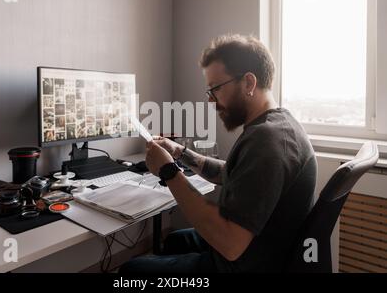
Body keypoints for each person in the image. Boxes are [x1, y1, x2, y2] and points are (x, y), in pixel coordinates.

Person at [119, 34, 317, 273]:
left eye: (215, 89)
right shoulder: (279, 126)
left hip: (241, 263)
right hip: (263, 248)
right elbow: (233, 174)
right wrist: (180, 152)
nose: (211, 100)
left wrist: (168, 171)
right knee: (174, 240)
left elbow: (231, 244)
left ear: (249, 83)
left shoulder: (266, 141)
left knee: (132, 271)